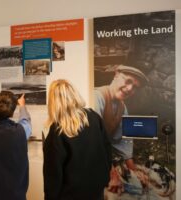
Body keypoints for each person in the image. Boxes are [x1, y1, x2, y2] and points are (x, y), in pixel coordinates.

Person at [43, 79, 111, 200]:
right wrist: (105, 177)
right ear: (74, 94)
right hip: (95, 189)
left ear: (54, 102)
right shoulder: (94, 117)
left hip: (70, 194)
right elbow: (107, 150)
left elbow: (53, 174)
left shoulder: (57, 130)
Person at [94, 65, 149, 194]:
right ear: (116, 76)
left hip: (101, 156)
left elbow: (124, 141)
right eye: (128, 81)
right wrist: (112, 175)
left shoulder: (122, 107)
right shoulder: (97, 97)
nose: (130, 89)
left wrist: (134, 171)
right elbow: (93, 142)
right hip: (85, 158)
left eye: (135, 87)